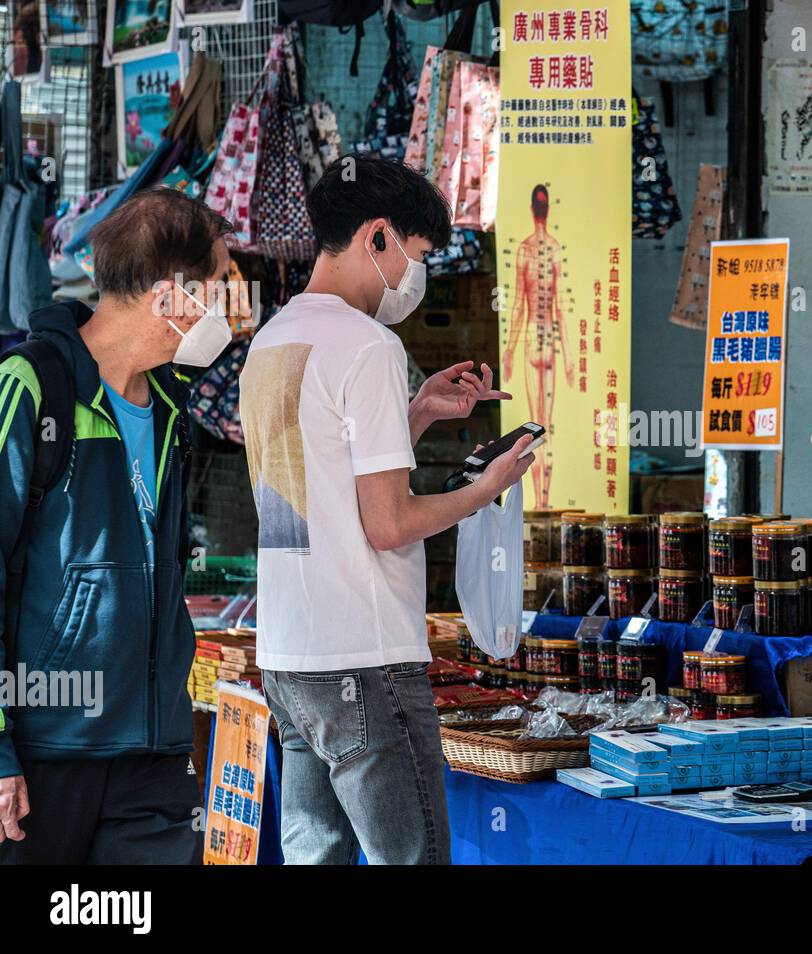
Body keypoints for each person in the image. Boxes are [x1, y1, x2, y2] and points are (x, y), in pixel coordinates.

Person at [239, 155, 533, 865]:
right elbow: (387, 523)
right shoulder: (369, 344)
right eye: (419, 254)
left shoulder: (272, 341)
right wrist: (484, 489)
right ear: (377, 236)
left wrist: (417, 412)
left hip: (290, 658)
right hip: (363, 659)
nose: (416, 274)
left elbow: (321, 476)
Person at [0, 188, 234, 864]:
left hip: (153, 757)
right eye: (215, 288)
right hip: (46, 752)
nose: (224, 310)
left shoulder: (170, 406)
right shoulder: (32, 385)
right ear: (168, 298)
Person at [501, 183, 573, 505]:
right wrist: (569, 358)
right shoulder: (555, 248)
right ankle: (544, 499)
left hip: (532, 340)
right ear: (548, 211)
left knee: (536, 426)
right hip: (551, 345)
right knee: (548, 423)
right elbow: (560, 310)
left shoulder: (525, 249)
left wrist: (509, 350)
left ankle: (541, 503)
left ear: (533, 210)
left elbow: (518, 306)